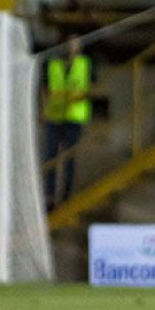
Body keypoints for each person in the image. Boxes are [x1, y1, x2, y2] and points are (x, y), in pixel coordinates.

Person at [43, 36, 93, 210]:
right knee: (50, 157)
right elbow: (45, 89)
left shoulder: (84, 64)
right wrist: (44, 109)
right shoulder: (53, 64)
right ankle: (49, 197)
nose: (71, 48)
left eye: (75, 44)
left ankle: (66, 196)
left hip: (74, 117)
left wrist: (79, 95)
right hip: (55, 116)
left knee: (69, 158)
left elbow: (91, 87)